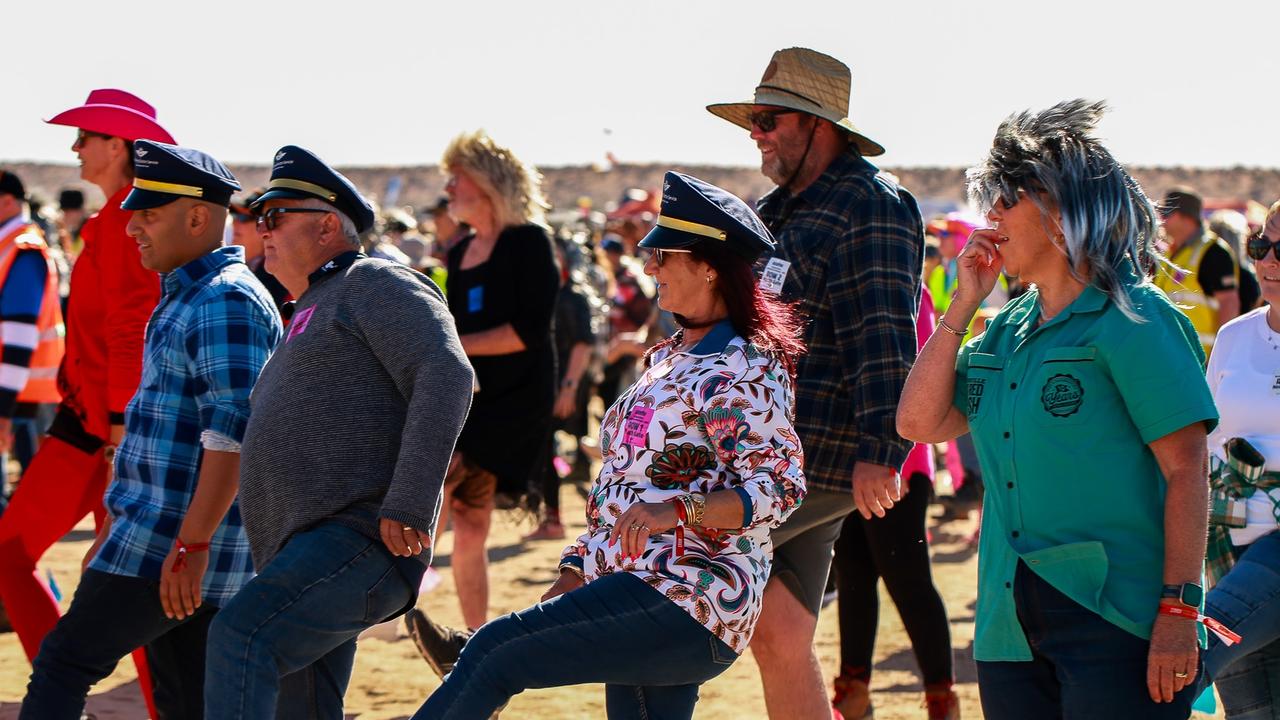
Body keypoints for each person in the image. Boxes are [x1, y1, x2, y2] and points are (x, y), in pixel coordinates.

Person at [412, 171, 806, 720]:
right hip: (639, 588)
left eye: (664, 255)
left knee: (491, 653)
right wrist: (567, 583)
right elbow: (622, 490)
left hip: (690, 599)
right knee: (502, 651)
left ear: (711, 266)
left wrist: (678, 509)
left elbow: (780, 489)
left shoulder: (739, 367)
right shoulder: (668, 357)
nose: (649, 267)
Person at [897, 99, 1219, 719]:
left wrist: (1181, 610)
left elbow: (1187, 469)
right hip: (1006, 619)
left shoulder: (1137, 319)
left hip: (1117, 615)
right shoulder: (1003, 328)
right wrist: (962, 306)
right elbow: (918, 425)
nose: (989, 217)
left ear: (1060, 208)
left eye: (1005, 198)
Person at [203, 145, 473, 719]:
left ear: (328, 225)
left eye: (275, 217)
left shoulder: (374, 281)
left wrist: (410, 500)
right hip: (310, 550)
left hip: (356, 538)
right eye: (256, 218)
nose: (260, 231)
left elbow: (446, 372)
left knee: (241, 637)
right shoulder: (313, 303)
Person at [21, 140, 280, 720]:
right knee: (185, 698)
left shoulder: (224, 302)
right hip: (167, 542)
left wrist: (193, 544)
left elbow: (231, 437)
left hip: (169, 545)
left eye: (149, 214)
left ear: (196, 217)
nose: (132, 225)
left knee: (65, 662)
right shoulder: (194, 293)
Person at [705, 46, 924, 719]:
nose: (755, 135)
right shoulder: (779, 208)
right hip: (779, 450)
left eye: (769, 120)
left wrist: (881, 452)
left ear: (817, 126)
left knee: (678, 556)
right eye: (755, 121)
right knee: (778, 634)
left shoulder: (872, 204)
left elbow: (884, 333)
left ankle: (505, 646)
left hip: (821, 455)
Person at [0, 88, 173, 717]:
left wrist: (122, 435)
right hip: (88, 422)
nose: (74, 147)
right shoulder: (109, 222)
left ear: (119, 145)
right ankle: (60, 687)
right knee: (12, 553)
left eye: (85, 136)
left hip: (114, 430)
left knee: (129, 589)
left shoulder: (135, 220)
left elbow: (132, 328)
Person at [408, 129, 559, 646]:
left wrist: (451, 343)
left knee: (448, 498)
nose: (449, 187)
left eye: (458, 177)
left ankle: (407, 611)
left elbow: (528, 332)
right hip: (468, 395)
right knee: (467, 522)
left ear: (489, 184)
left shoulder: (529, 242)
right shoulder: (462, 248)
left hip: (514, 402)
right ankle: (469, 641)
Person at [830, 285, 956, 719]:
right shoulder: (847, 275)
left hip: (896, 460)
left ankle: (941, 697)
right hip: (847, 460)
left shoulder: (906, 285)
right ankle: (853, 689)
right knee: (854, 572)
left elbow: (915, 373)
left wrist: (895, 456)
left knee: (908, 580)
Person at [1199, 204, 1280, 718]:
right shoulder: (1233, 337)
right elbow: (1207, 443)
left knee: (1191, 650)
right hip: (1228, 546)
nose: (1268, 260)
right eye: (1261, 245)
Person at [0, 170, 64, 501]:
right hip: (15, 393)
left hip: (14, 395)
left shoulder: (22, 248)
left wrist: (3, 409)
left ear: (8, 201)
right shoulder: (12, 244)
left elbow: (19, 334)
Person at [1156, 186, 1240, 354]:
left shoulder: (1214, 252)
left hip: (1201, 358)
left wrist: (1219, 354)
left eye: (1166, 214)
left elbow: (1229, 303)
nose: (1161, 220)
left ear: (1186, 217)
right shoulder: (1170, 253)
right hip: (1171, 354)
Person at [229, 189, 289, 316]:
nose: (235, 223)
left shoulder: (282, 278)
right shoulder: (237, 269)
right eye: (233, 215)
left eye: (244, 218)